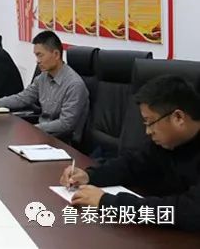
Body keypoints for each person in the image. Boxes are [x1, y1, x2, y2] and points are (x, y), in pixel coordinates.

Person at [60, 75, 200, 231]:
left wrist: (108, 203)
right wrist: (90, 175)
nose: (148, 131)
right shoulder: (165, 142)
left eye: (150, 122)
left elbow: (190, 212)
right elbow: (131, 164)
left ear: (178, 118)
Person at [0, 31, 89, 142]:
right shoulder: (43, 77)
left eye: (40, 55)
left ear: (56, 54)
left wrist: (33, 129)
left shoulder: (74, 85)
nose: (37, 61)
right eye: (36, 56)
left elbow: (66, 124)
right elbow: (22, 98)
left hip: (60, 140)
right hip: (40, 134)